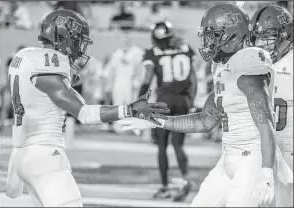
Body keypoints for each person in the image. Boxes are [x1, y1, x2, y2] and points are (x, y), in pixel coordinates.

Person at [119, 3, 292, 206]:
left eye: (213, 36)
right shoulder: (222, 65)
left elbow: (265, 123)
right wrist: (155, 121)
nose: (208, 42)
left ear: (232, 35)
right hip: (228, 159)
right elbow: (205, 120)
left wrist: (266, 174)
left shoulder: (249, 61)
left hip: (251, 159)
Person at [5, 9, 169, 207]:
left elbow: (60, 98)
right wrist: (129, 110)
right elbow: (83, 113)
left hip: (24, 155)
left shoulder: (26, 56)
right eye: (76, 39)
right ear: (63, 37)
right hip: (45, 158)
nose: (79, 46)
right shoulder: (49, 68)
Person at [138, 21, 197, 202]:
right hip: (183, 100)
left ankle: (164, 187)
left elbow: (147, 79)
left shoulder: (152, 52)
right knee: (178, 145)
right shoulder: (185, 47)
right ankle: (186, 179)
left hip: (164, 100)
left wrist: (140, 101)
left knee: (162, 146)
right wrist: (191, 101)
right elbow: (193, 79)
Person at [249, 5, 293, 207]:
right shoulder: (255, 63)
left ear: (285, 35)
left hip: (288, 151)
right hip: (262, 151)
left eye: (269, 36)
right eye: (258, 37)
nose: (262, 43)